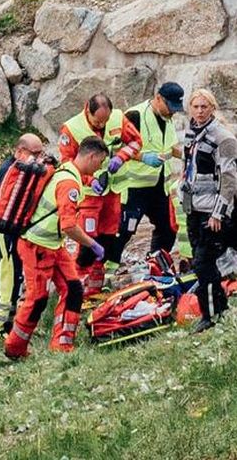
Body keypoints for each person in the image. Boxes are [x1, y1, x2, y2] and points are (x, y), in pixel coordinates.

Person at [4, 136, 109, 359]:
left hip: (53, 245)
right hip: (37, 246)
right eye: (99, 163)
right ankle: (15, 348)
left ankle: (62, 345)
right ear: (92, 157)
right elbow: (69, 225)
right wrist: (92, 244)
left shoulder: (69, 172)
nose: (98, 168)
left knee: (73, 289)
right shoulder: (69, 183)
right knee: (38, 298)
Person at [59, 93, 142, 294]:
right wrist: (90, 179)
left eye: (105, 121)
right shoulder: (71, 128)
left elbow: (136, 143)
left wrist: (121, 157)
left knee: (107, 239)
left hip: (113, 192)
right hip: (89, 194)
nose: (101, 125)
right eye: (98, 121)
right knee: (88, 241)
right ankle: (75, 287)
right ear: (88, 110)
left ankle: (95, 287)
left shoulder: (118, 118)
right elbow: (66, 162)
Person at [0, 133, 44, 337]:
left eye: (41, 153)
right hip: (1, 234)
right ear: (20, 151)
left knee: (9, 279)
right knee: (8, 281)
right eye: (35, 153)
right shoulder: (14, 172)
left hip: (2, 233)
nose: (39, 158)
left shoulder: (15, 168)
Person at [180, 88, 237, 333]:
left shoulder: (223, 137)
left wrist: (218, 213)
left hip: (214, 212)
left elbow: (229, 178)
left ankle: (211, 315)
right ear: (190, 108)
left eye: (205, 107)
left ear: (212, 108)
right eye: (196, 106)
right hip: (194, 208)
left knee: (204, 263)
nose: (200, 111)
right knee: (202, 263)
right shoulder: (190, 133)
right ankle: (215, 311)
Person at [115, 82, 184, 262]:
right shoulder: (135, 115)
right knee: (124, 230)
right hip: (135, 188)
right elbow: (118, 148)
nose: (173, 112)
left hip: (160, 187)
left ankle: (155, 263)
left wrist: (187, 154)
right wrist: (144, 157)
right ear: (158, 98)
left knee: (168, 228)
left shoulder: (167, 118)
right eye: (170, 107)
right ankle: (107, 271)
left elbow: (170, 146)